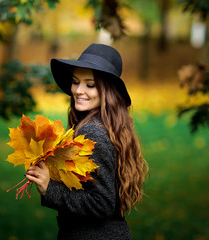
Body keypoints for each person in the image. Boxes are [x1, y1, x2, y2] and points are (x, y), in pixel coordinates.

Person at [25, 43, 149, 240]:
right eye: (75, 82)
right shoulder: (109, 125)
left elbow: (102, 203)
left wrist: (50, 188)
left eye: (90, 85)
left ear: (107, 90)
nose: (79, 90)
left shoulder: (93, 132)